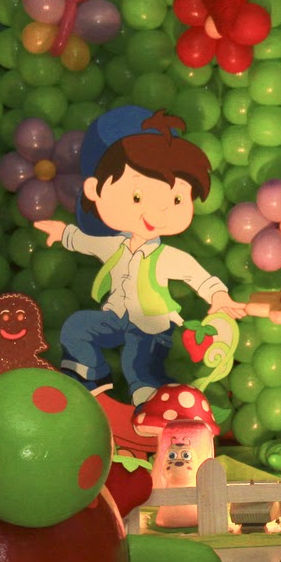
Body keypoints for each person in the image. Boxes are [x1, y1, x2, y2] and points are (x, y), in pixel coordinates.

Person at [36, 106, 243, 406]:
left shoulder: (166, 256)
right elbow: (87, 242)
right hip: (116, 318)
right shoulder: (115, 246)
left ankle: (149, 398)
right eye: (137, 197)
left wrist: (219, 296)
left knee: (137, 361)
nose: (157, 212)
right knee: (78, 326)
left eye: (176, 199)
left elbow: (196, 275)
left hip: (151, 327)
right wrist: (63, 233)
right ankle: (90, 378)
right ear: (94, 190)